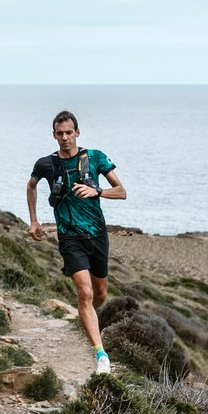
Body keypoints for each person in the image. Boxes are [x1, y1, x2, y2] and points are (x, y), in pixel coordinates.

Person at [27, 110, 126, 375]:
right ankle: (101, 356)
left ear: (77, 133)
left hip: (97, 235)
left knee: (100, 294)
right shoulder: (45, 164)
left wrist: (97, 191)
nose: (64, 138)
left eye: (69, 132)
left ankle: (85, 316)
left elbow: (122, 191)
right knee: (85, 292)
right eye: (59, 134)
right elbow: (31, 185)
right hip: (69, 237)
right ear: (54, 135)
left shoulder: (95, 157)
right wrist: (34, 221)